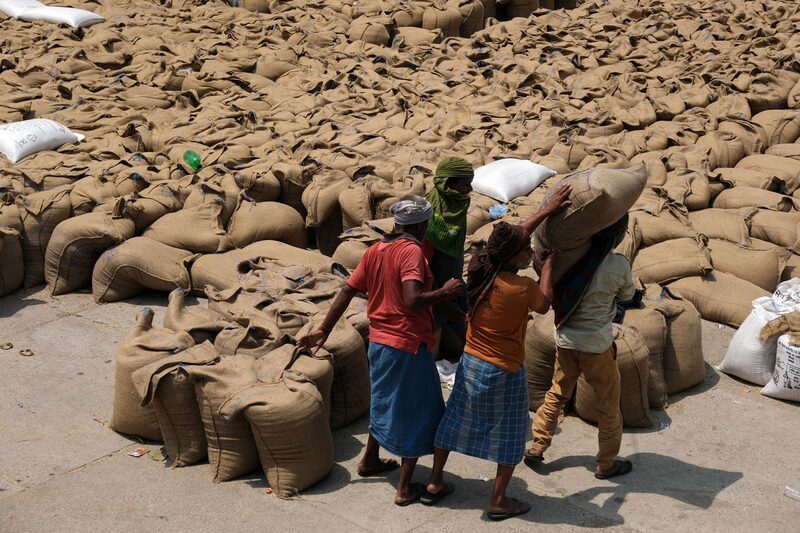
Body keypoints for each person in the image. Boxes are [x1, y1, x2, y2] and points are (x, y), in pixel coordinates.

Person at [297, 195, 464, 506]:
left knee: (385, 401)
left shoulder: (375, 250)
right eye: (426, 224)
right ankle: (404, 488)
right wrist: (445, 292)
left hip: (379, 343)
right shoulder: (411, 252)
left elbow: (348, 289)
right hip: (406, 345)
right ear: (420, 225)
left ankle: (369, 460)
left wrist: (323, 329)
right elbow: (412, 300)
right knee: (419, 411)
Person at [424, 184, 573, 521]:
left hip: (471, 362)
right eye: (526, 251)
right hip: (504, 369)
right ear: (515, 257)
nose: (529, 252)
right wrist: (546, 268)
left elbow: (510, 239)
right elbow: (544, 304)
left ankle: (434, 481)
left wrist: (548, 210)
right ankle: (498, 500)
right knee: (511, 433)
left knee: (454, 420)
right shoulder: (522, 287)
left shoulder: (480, 267)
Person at [525, 213, 635, 480]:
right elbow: (628, 294)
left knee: (557, 392)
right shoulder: (618, 264)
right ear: (617, 236)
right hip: (596, 345)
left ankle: (538, 445)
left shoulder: (571, 258)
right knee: (607, 404)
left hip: (566, 340)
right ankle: (606, 463)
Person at [424, 156, 474, 359]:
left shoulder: (456, 209)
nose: (469, 189)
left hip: (453, 287)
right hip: (433, 293)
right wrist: (442, 298)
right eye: (465, 184)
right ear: (449, 184)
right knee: (431, 343)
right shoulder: (428, 216)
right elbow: (423, 265)